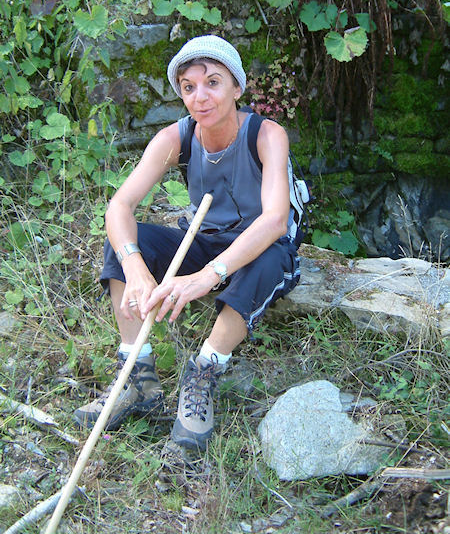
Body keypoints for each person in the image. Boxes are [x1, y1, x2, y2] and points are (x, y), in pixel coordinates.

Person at [74, 35, 300, 450]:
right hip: (205, 238)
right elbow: (119, 207)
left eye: (213, 82)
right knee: (127, 240)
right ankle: (137, 375)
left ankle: (205, 370)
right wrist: (137, 270)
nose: (200, 97)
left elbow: (274, 221)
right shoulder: (175, 138)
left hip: (259, 246)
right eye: (188, 86)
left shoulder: (267, 135)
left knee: (267, 260)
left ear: (237, 87)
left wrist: (205, 277)